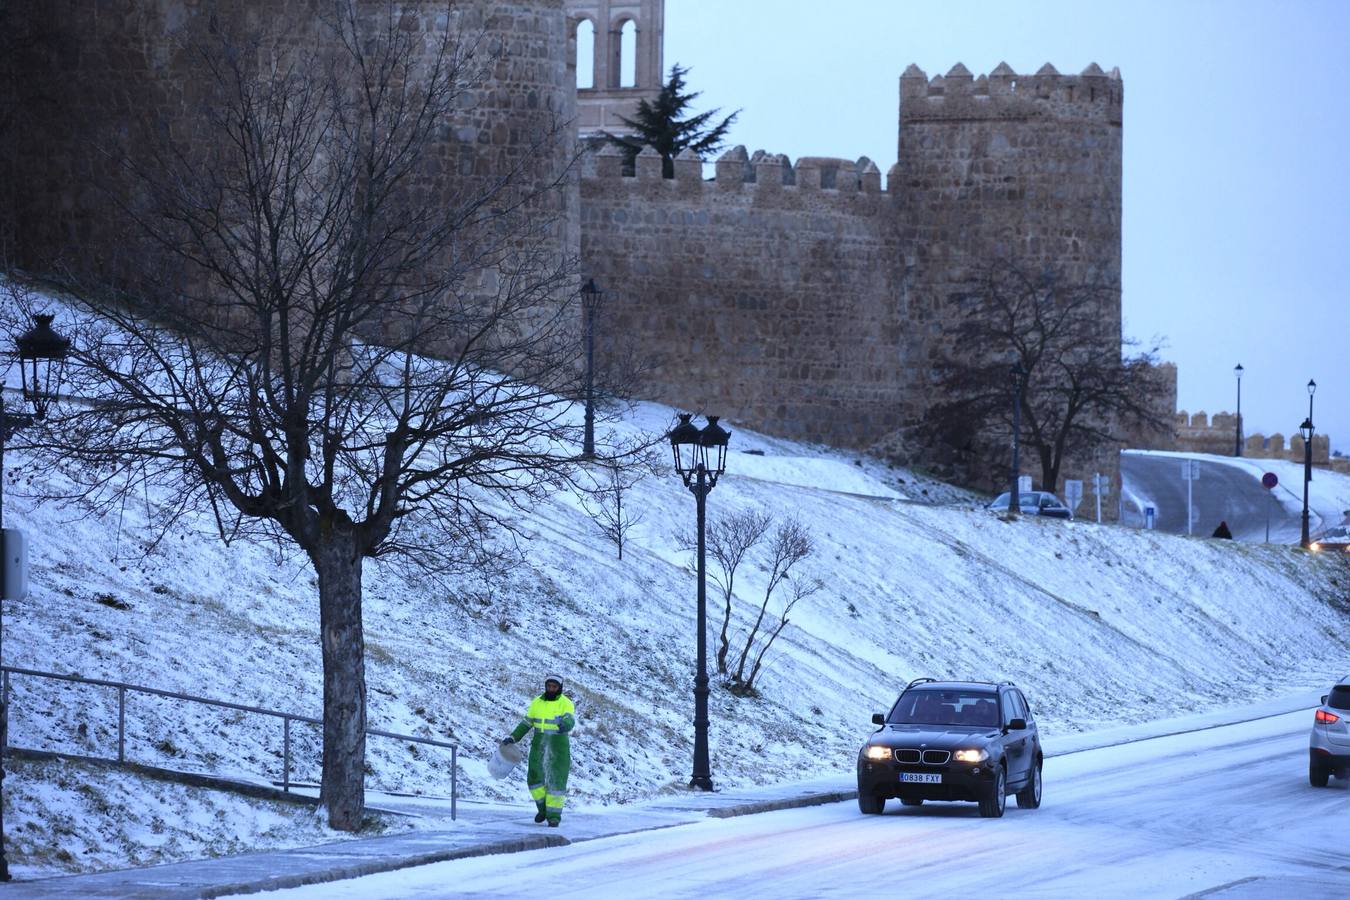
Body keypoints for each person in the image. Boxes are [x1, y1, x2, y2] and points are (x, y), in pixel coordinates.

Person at [501, 675, 575, 827]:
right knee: (534, 779)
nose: (551, 689)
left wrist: (566, 725)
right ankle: (543, 810)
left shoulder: (566, 703)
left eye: (554, 687)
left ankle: (553, 816)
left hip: (558, 745)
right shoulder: (537, 702)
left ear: (559, 688)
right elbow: (527, 723)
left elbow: (569, 718)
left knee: (556, 780)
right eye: (549, 686)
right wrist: (513, 737)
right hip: (539, 745)